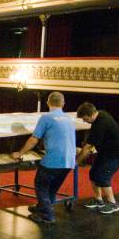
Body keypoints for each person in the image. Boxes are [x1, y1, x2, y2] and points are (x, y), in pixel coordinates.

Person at [11, 91, 76, 224]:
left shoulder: (46, 118)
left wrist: (20, 153)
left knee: (41, 185)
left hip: (53, 161)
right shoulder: (69, 118)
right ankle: (43, 207)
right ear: (63, 103)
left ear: (48, 103)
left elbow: (34, 139)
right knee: (52, 188)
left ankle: (47, 215)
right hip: (69, 161)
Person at [75, 102, 119, 214]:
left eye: (85, 119)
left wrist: (76, 162)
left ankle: (113, 204)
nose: (84, 121)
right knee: (93, 174)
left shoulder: (101, 123)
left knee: (103, 177)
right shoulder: (101, 114)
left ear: (92, 115)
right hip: (105, 152)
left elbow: (88, 148)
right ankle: (99, 200)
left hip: (115, 155)